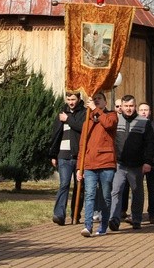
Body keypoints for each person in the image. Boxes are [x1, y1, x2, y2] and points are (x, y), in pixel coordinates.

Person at [108, 95, 154, 231]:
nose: (128, 109)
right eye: (126, 106)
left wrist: (147, 162)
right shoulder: (115, 120)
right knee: (116, 191)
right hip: (119, 164)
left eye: (131, 106)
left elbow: (150, 144)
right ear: (121, 107)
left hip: (137, 165)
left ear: (135, 106)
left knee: (137, 192)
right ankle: (114, 219)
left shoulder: (144, 122)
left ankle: (136, 218)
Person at [76, 92, 118, 237]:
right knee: (89, 195)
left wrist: (96, 109)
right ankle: (88, 226)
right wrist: (78, 168)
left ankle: (103, 225)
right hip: (89, 164)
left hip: (106, 163)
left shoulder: (111, 115)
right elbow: (82, 145)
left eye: (99, 99)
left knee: (106, 196)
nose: (96, 101)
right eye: (94, 100)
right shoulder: (86, 122)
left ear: (105, 103)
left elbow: (108, 124)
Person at [49, 91, 87, 225]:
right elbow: (56, 135)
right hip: (63, 156)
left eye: (73, 99)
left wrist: (69, 120)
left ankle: (75, 214)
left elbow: (84, 128)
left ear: (79, 99)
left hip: (79, 156)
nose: (71, 102)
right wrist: (53, 154)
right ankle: (59, 214)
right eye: (68, 99)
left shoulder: (84, 113)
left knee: (79, 186)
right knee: (64, 184)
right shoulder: (61, 113)